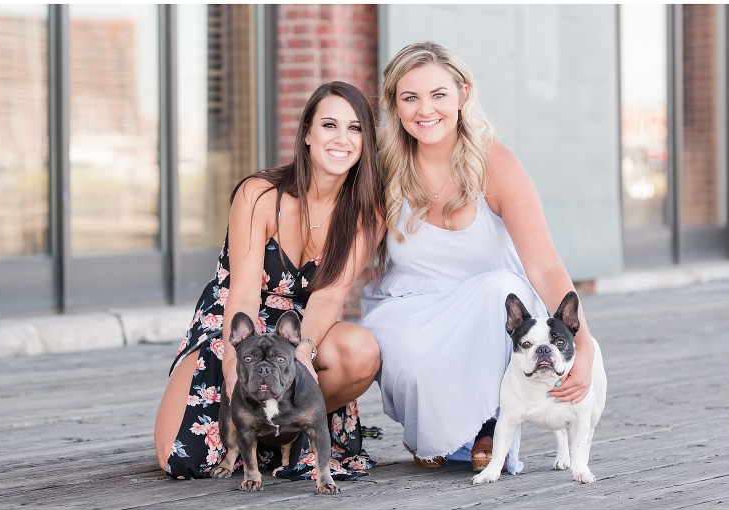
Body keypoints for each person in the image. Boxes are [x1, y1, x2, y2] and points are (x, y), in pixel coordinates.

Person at [359, 41, 596, 474]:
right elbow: (349, 258)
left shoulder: (495, 163)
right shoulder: (384, 169)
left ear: (463, 95)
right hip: (414, 307)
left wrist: (584, 344)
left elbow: (542, 263)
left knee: (497, 288)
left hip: (492, 306)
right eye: (410, 97)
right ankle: (432, 433)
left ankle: (488, 424)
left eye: (438, 95)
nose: (425, 109)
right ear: (394, 104)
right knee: (397, 341)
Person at [155, 81, 385, 480]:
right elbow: (242, 291)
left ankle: (288, 429)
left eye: (355, 128)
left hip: (295, 333)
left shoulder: (367, 214)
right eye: (329, 125)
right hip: (234, 324)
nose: (342, 139)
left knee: (361, 349)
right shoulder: (260, 194)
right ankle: (253, 432)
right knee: (179, 459)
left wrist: (302, 356)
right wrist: (231, 363)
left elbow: (329, 298)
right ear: (308, 135)